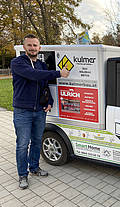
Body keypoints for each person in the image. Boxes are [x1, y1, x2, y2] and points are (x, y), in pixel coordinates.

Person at [11, 34, 70, 189]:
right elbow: (33, 76)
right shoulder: (17, 63)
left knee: (37, 141)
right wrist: (58, 73)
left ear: (39, 48)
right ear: (24, 47)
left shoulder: (42, 65)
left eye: (35, 45)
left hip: (39, 111)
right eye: (29, 45)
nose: (32, 48)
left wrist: (49, 101)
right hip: (22, 111)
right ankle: (22, 175)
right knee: (23, 144)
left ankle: (34, 168)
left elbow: (44, 85)